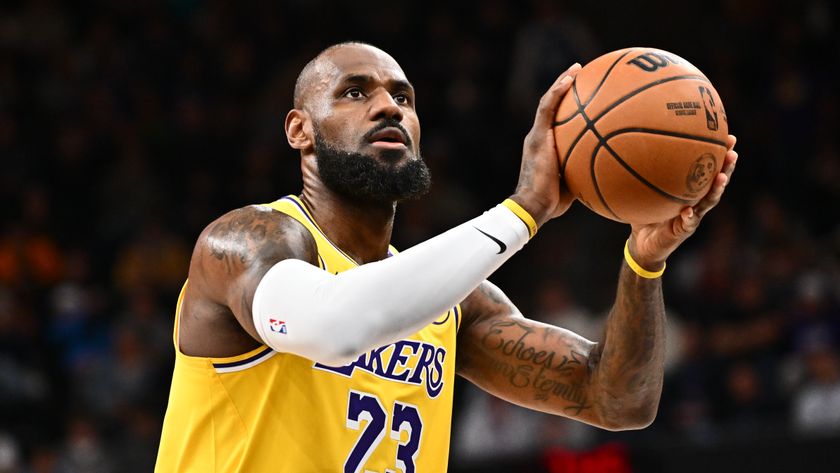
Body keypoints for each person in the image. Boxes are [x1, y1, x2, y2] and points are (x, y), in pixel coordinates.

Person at [155, 42, 738, 472]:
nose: (389, 108)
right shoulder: (243, 244)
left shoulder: (452, 304)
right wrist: (523, 210)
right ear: (299, 130)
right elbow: (334, 325)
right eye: (356, 92)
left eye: (402, 97)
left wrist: (644, 262)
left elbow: (617, 400)